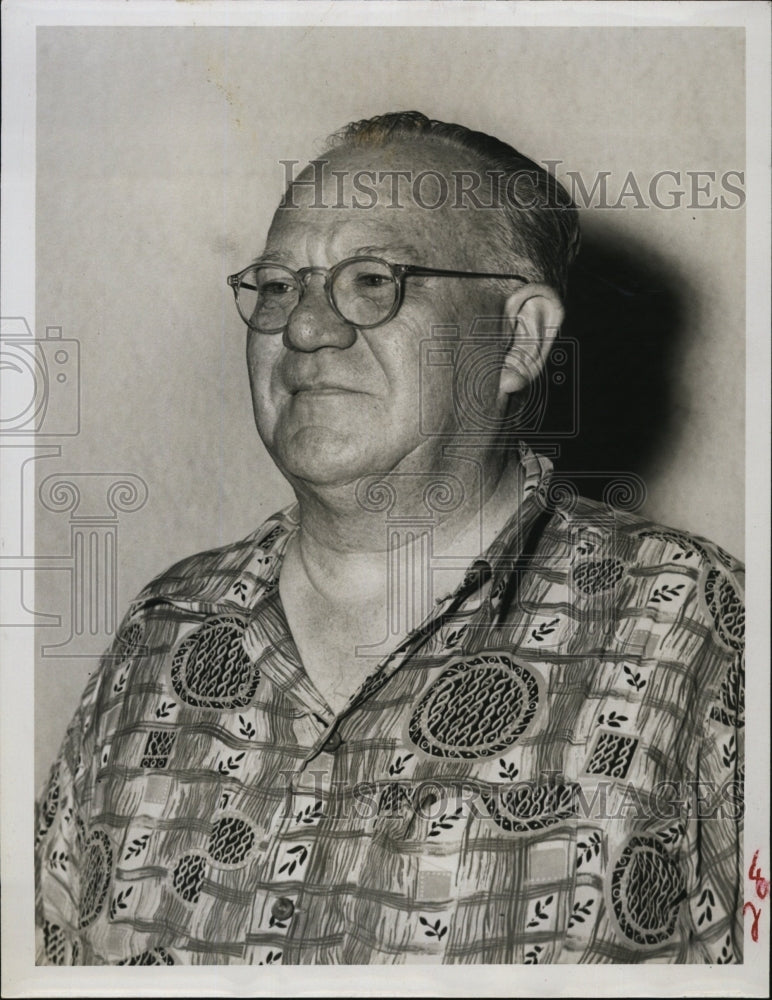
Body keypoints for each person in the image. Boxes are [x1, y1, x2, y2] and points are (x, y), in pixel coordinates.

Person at [35, 111, 744, 966]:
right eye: (278, 285)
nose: (303, 329)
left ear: (518, 338)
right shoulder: (165, 626)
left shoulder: (697, 627)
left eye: (373, 281)